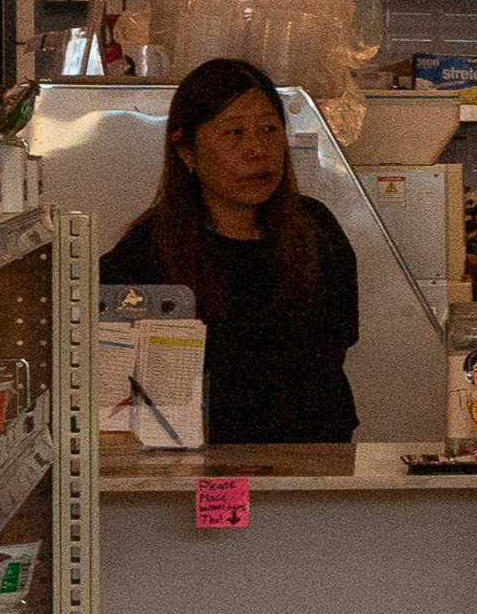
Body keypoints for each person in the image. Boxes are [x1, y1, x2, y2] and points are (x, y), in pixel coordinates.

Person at [102, 57, 361, 444]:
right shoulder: (148, 250)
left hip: (315, 460)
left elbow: (341, 338)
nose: (258, 149)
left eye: (270, 129)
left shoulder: (316, 228)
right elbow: (110, 376)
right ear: (186, 152)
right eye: (234, 133)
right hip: (198, 468)